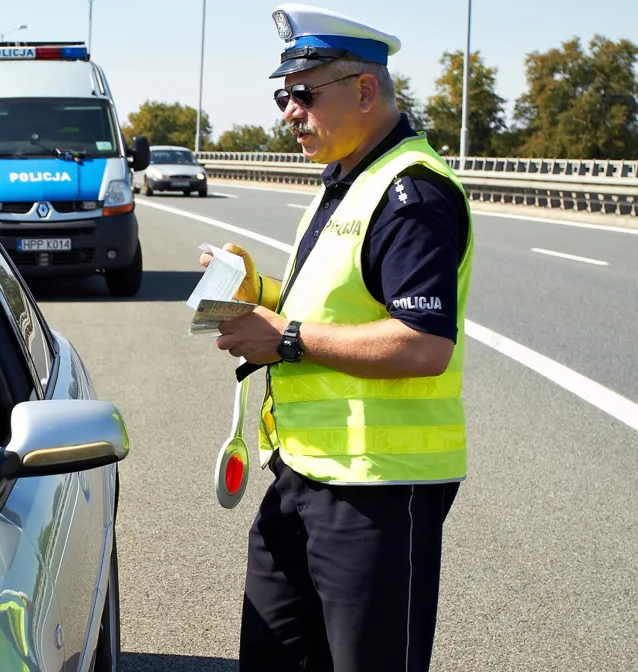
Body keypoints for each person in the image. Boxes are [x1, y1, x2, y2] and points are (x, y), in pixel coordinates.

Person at [202, 4, 475, 671]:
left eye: (303, 94)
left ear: (364, 90)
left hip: (377, 487)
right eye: (282, 97)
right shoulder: (348, 181)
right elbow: (341, 302)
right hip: (304, 472)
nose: (289, 112)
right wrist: (258, 293)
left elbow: (423, 344)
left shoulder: (411, 194)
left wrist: (286, 338)